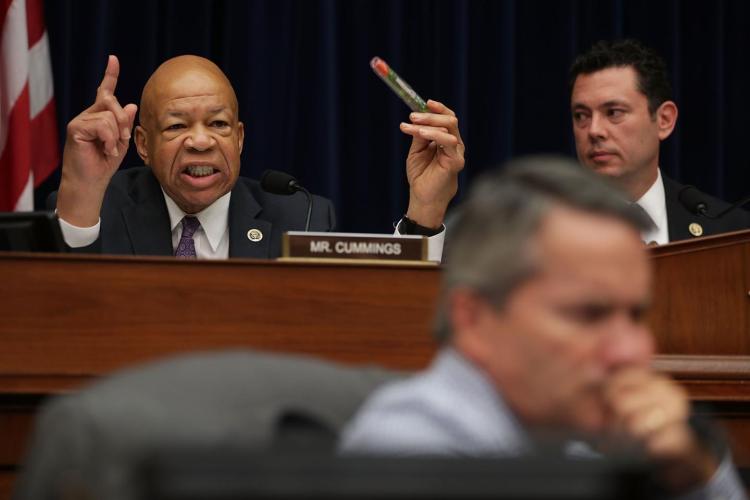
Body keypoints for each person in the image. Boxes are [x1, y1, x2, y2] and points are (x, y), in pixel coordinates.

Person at [340, 157, 746, 499]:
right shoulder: (410, 450)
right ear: (474, 319)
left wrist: (694, 472)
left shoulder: (575, 432)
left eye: (636, 316)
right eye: (588, 314)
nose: (630, 351)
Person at [55, 55, 464, 260]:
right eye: (177, 126)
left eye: (217, 125)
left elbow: (376, 310)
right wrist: (80, 190)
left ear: (240, 138)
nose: (201, 142)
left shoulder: (298, 217)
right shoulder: (96, 209)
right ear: (142, 144)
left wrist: (425, 209)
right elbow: (56, 306)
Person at [570, 39, 750, 244]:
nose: (594, 130)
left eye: (613, 112)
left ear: (664, 120)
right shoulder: (542, 235)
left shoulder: (730, 231)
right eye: (581, 116)